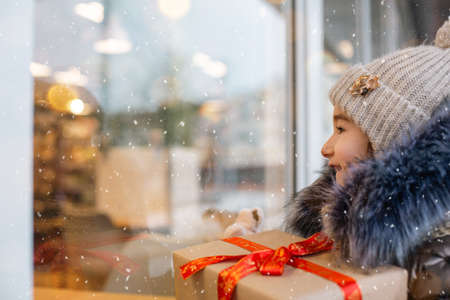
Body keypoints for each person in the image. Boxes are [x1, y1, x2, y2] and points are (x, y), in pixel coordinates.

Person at [285, 20, 450, 299]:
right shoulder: (340, 225)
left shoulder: (433, 259)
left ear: (387, 139)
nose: (326, 148)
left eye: (340, 129)